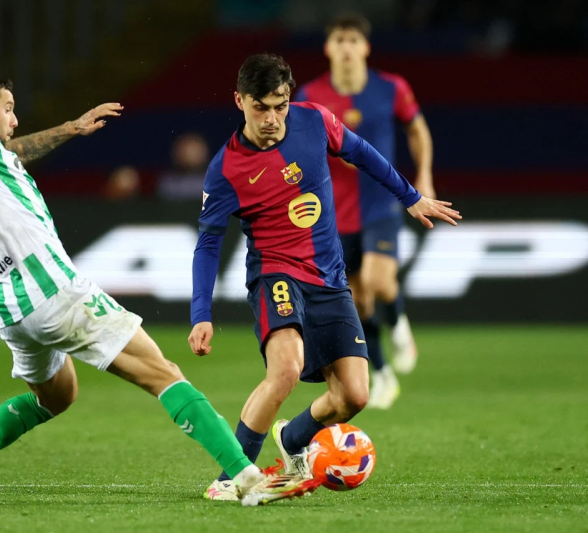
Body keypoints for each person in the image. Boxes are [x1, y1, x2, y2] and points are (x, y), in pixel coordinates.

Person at [0, 68, 313, 507]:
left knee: (56, 396)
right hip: (53, 290)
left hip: (11, 306)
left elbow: (9, 150)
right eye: (8, 109)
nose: (14, 119)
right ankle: (247, 477)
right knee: (163, 373)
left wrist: (70, 128)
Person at [187, 54, 460, 501]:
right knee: (285, 371)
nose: (272, 118)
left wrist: (410, 197)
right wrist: (201, 312)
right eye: (260, 107)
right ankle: (230, 477)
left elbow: (362, 153)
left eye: (280, 105)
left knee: (354, 395)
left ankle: (293, 440)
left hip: (330, 279)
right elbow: (208, 243)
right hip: (276, 274)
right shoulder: (226, 169)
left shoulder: (314, 121)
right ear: (239, 101)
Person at [295, 13, 436, 409]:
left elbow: (417, 130)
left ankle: (399, 323)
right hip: (335, 214)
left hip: (380, 203)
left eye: (353, 40)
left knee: (378, 281)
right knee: (357, 300)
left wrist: (424, 175)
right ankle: (383, 373)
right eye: (339, 40)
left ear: (365, 47)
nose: (346, 47)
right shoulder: (310, 94)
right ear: (328, 48)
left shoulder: (391, 88)